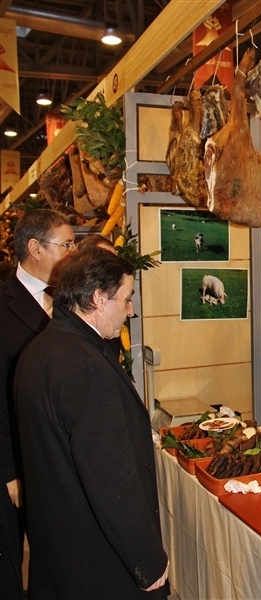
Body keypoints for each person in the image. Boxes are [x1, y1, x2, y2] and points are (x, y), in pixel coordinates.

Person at [14, 248, 169, 599]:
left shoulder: (39, 350)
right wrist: (148, 561)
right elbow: (112, 480)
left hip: (60, 550)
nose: (130, 310)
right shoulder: (84, 366)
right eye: (126, 298)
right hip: (98, 563)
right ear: (99, 299)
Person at [0, 208, 75, 599]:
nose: (73, 253)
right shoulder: (3, 306)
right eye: (67, 245)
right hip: (22, 457)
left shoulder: (72, 297)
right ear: (35, 248)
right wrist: (9, 470)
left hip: (68, 450)